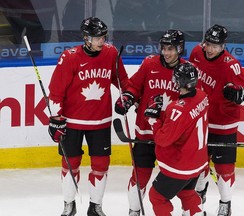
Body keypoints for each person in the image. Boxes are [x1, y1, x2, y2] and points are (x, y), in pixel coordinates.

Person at [47, 17, 129, 216]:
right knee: (70, 163)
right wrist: (56, 119)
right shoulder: (70, 57)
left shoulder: (110, 53)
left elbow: (122, 80)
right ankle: (69, 204)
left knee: (101, 164)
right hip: (72, 122)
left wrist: (126, 96)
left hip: (101, 121)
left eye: (103, 36)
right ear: (85, 38)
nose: (101, 40)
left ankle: (95, 206)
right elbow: (56, 90)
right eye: (96, 37)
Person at [114, 29, 188, 216]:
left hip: (171, 136)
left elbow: (192, 100)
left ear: (180, 48)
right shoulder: (149, 63)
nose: (166, 52)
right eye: (164, 48)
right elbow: (134, 86)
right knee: (140, 176)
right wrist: (128, 98)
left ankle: (191, 208)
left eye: (171, 48)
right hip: (145, 132)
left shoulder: (186, 70)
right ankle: (134, 210)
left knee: (178, 179)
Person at [189, 24, 244, 216]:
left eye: (216, 46)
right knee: (197, 165)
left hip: (224, 124)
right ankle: (198, 197)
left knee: (224, 170)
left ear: (224, 46)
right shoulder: (196, 53)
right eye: (209, 44)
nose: (210, 49)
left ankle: (225, 204)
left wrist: (238, 95)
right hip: (200, 122)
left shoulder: (231, 65)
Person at [144, 62, 209, 216]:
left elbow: (163, 139)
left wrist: (153, 119)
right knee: (187, 193)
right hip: (198, 162)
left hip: (181, 165)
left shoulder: (177, 109)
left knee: (157, 197)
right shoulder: (202, 96)